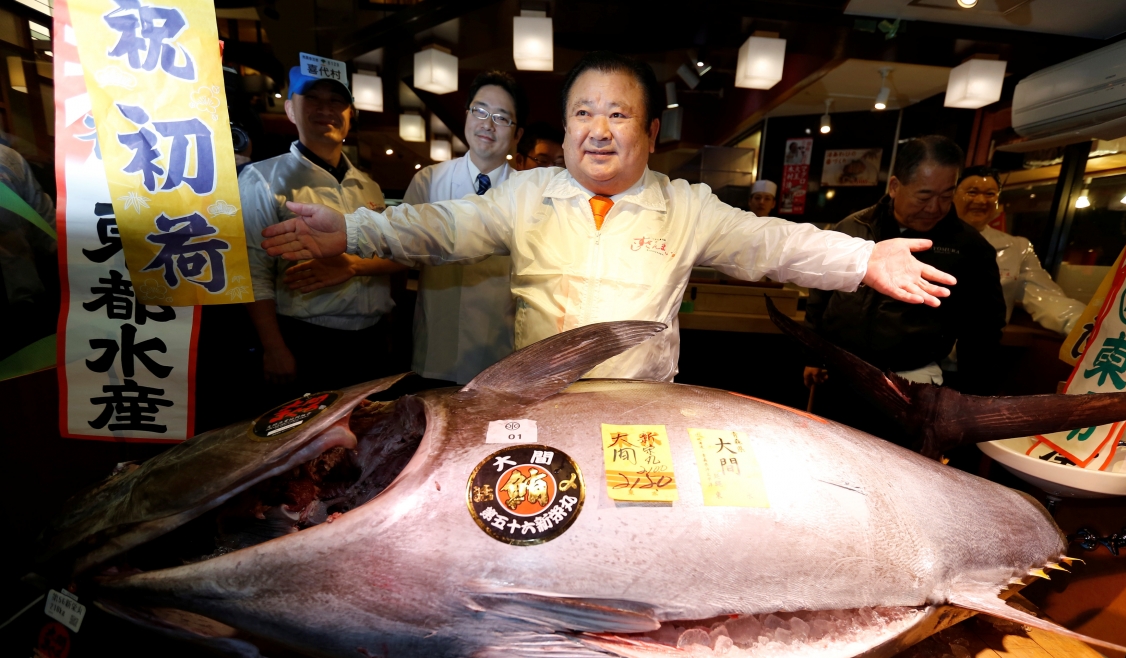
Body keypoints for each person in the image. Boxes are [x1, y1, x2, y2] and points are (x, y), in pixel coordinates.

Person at [263, 51, 957, 383]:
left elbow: (772, 243)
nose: (599, 130)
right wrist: (352, 230)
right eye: (583, 114)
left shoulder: (685, 206)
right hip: (534, 396)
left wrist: (864, 259)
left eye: (618, 114)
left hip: (643, 408)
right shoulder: (526, 194)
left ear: (650, 132)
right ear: (564, 133)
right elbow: (436, 228)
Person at [239, 64, 403, 398]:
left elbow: (397, 255)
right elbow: (251, 271)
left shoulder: (368, 185)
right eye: (312, 98)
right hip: (306, 339)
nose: (326, 109)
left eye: (336, 101)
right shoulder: (263, 179)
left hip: (371, 341)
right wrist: (274, 347)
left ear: (350, 115)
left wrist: (352, 265)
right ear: (290, 109)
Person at [805, 136, 1005, 396]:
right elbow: (820, 295)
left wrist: (972, 394)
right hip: (840, 369)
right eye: (924, 196)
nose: (935, 208)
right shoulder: (854, 227)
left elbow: (984, 327)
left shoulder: (969, 247)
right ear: (895, 186)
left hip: (911, 379)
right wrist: (812, 355)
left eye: (947, 196)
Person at [403, 70, 526, 385]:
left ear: (517, 134)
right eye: (480, 111)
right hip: (436, 351)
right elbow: (401, 251)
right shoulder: (429, 182)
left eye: (501, 118)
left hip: (500, 355)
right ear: (467, 115)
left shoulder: (528, 192)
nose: (487, 124)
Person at [954, 166, 1083, 336]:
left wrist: (1084, 324)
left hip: (980, 351)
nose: (980, 201)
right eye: (972, 192)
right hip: (926, 351)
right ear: (952, 195)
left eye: (990, 194)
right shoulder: (926, 239)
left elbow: (1046, 297)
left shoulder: (1017, 248)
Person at [0, 144, 56, 359]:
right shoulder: (8, 158)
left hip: (24, 304)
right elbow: (48, 236)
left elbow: (47, 233)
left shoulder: (8, 158)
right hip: (24, 300)